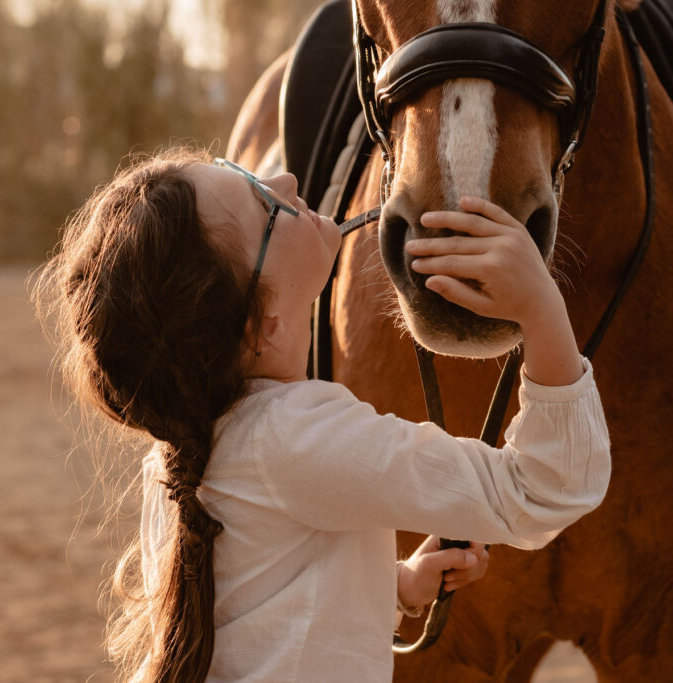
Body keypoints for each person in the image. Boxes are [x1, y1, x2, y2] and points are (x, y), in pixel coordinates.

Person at [33, 147, 610, 683]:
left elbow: (256, 607)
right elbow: (544, 487)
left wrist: (397, 584)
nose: (284, 179)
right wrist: (541, 307)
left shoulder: (177, 450)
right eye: (264, 204)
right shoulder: (302, 437)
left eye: (243, 170)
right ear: (265, 327)